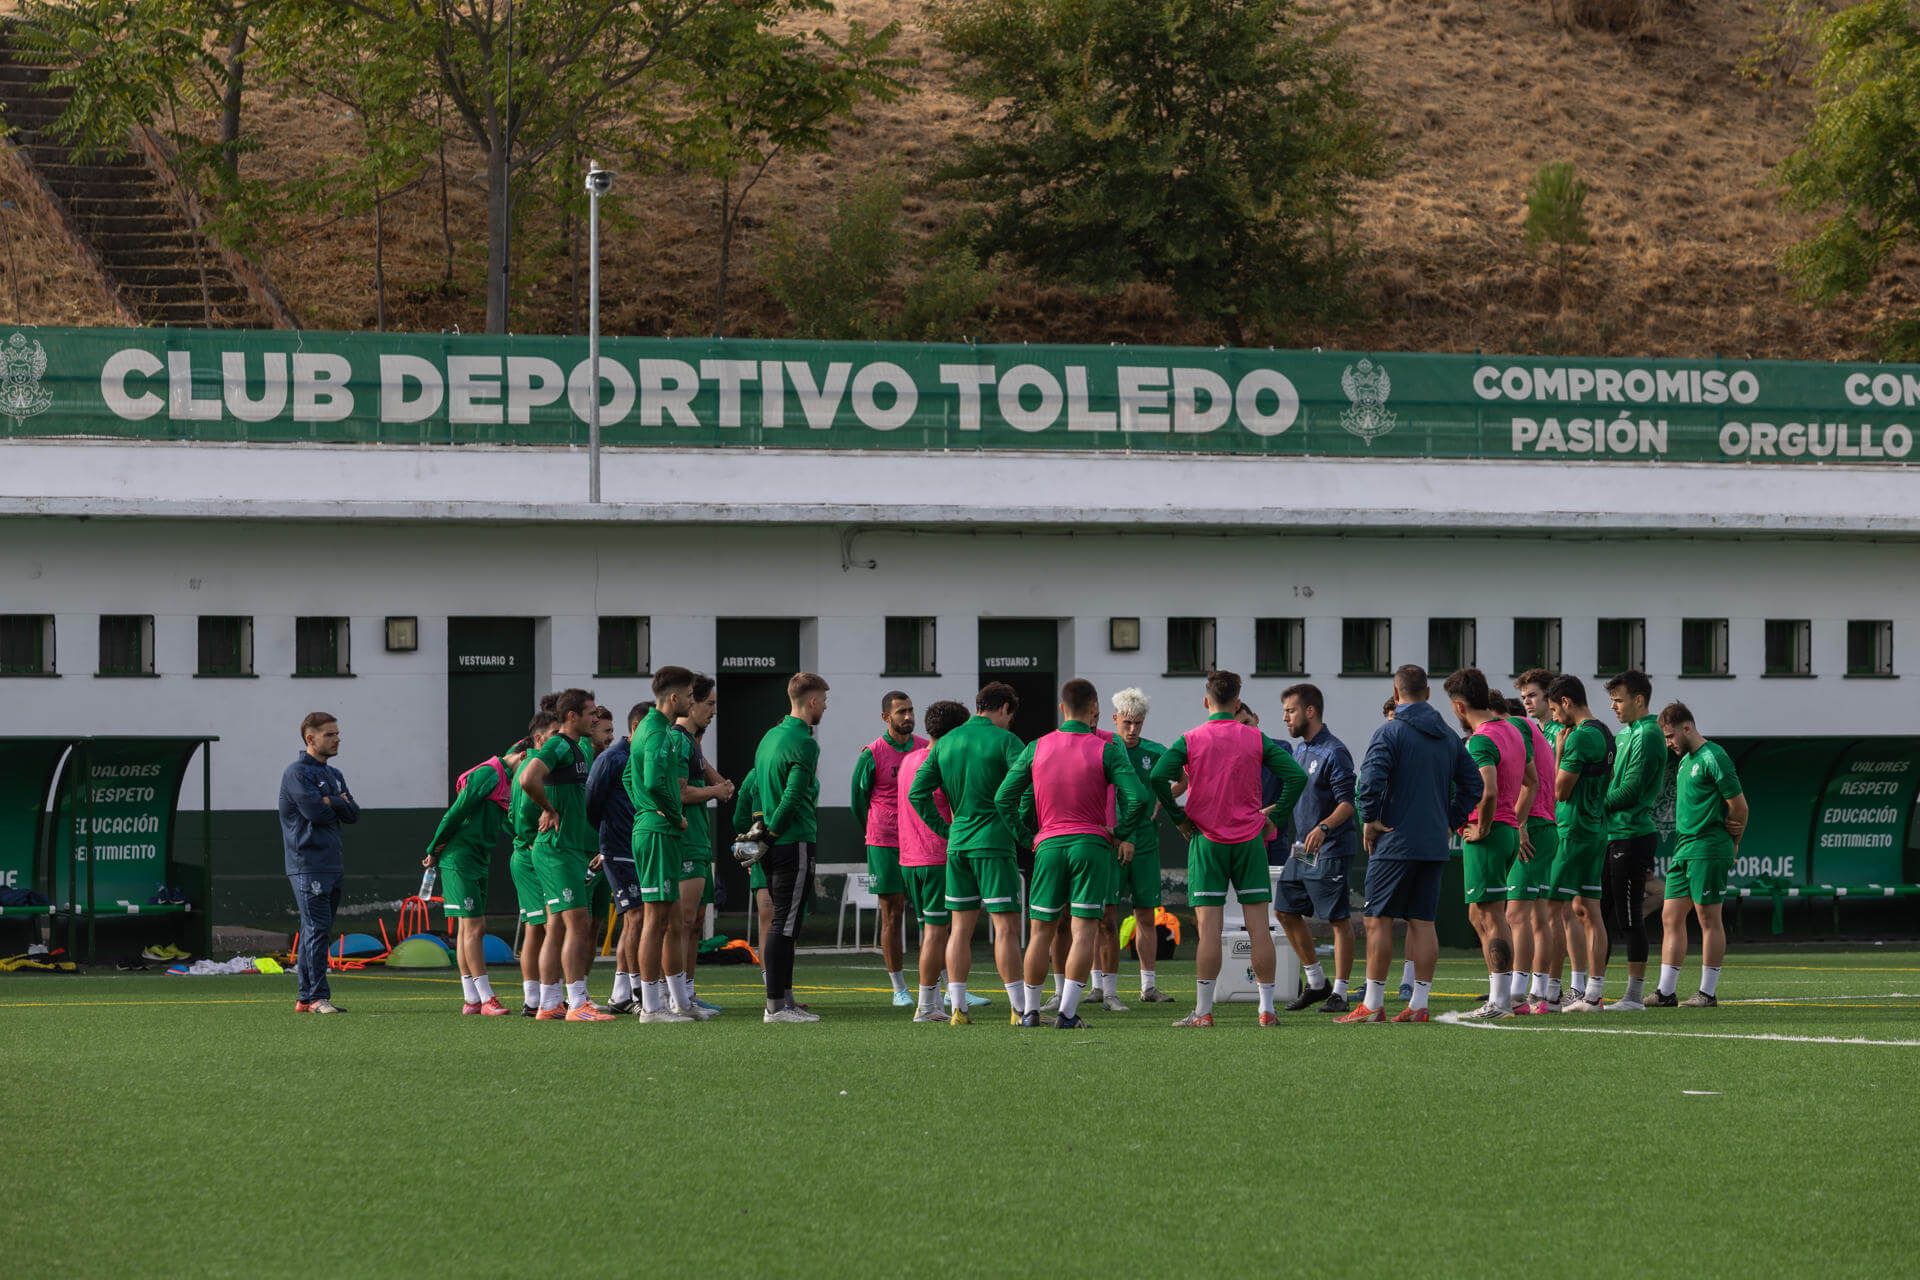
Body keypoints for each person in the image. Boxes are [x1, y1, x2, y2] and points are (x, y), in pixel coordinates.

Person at [1149, 670, 1306, 1028]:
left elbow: (1158, 776)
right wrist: (1275, 816)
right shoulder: (1254, 738)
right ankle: (1267, 1009)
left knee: (1210, 930)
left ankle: (1203, 1013)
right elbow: (1297, 776)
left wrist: (1178, 817)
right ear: (1237, 703)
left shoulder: (1191, 738)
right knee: (1259, 928)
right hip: (1249, 841)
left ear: (1207, 701)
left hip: (1207, 841)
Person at [997, 679, 1151, 1029]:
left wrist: (1026, 836)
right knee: (1084, 932)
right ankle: (1067, 1014)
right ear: (1095, 709)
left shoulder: (1037, 746)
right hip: (1091, 846)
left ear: (1061, 707)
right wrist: (1119, 831)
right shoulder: (1106, 749)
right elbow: (1139, 798)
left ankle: (1030, 1012)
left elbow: (1003, 797)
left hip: (1049, 845)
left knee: (1041, 932)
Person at [1339, 665, 1482, 1024]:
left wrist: (1369, 818)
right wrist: (1450, 818)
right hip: (1433, 841)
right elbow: (1473, 786)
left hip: (1394, 840)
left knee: (1378, 920)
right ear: (1429, 693)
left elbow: (1370, 780)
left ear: (1395, 691)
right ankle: (1419, 1003)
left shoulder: (1390, 732)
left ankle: (1372, 1003)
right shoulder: (1449, 737)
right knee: (1423, 922)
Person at [908, 682, 1027, 1026]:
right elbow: (1026, 788)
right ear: (1004, 708)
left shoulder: (946, 742)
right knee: (1005, 927)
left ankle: (958, 1008)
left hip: (958, 844)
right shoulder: (1006, 741)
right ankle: (1019, 1009)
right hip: (993, 843)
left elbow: (918, 792)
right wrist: (1022, 830)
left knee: (958, 929)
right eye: (1010, 715)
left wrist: (947, 829)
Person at [737, 671, 829, 1024]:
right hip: (792, 840)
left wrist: (760, 831)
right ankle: (776, 1006)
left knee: (781, 923)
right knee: (784, 925)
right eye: (824, 701)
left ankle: (784, 999)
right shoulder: (805, 742)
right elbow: (793, 794)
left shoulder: (769, 737)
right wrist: (773, 831)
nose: (825, 708)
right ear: (812, 702)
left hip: (773, 842)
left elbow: (752, 787)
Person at [1445, 669, 1535, 1021]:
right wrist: (1517, 820)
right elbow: (1532, 781)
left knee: (1491, 915)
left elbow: (1489, 790)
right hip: (1507, 830)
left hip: (1490, 833)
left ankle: (1499, 1001)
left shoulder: (1480, 740)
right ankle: (1502, 996)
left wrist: (1483, 827)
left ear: (1458, 706)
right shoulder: (1513, 730)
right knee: (1478, 914)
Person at [522, 688, 614, 1022]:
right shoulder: (559, 744)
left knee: (559, 925)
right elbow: (528, 779)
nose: (596, 717)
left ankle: (548, 1004)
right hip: (558, 851)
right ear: (572, 717)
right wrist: (548, 807)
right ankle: (578, 1004)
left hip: (571, 849)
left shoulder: (578, 748)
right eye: (591, 713)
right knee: (577, 924)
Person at [1654, 703, 1747, 1008]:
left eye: (1670, 736)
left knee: (1708, 918)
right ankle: (1665, 992)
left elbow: (1739, 807)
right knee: (1670, 916)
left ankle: (1707, 993)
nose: (1669, 743)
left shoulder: (1714, 756)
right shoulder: (1685, 762)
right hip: (1683, 848)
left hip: (1708, 847)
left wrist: (1733, 843)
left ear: (1687, 728)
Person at [424, 741, 525, 1016]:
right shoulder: (490, 773)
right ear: (524, 755)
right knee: (474, 927)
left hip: (479, 859)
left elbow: (507, 822)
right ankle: (487, 997)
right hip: (460, 859)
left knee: (467, 929)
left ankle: (471, 1000)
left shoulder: (505, 782)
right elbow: (456, 811)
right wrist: (433, 848)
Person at [1276, 682, 1357, 1013]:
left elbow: (1347, 804)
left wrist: (1324, 827)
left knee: (1337, 920)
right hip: (1302, 849)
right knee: (1284, 910)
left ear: (1310, 712)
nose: (1285, 718)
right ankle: (1316, 982)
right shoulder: (1299, 750)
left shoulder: (1334, 752)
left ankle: (1341, 992)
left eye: (1290, 711)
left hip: (1330, 847)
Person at [628, 667, 700, 1023]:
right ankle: (651, 1008)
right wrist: (671, 814)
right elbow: (654, 783)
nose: (692, 701)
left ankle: (680, 1002)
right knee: (655, 920)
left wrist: (647, 807)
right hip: (657, 831)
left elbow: (631, 777)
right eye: (689, 695)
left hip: (659, 829)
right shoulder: (654, 733)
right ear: (674, 698)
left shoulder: (655, 731)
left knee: (673, 921)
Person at [279, 711, 359, 1014]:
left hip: (331, 863)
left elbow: (353, 814)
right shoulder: (297, 773)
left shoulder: (334, 774)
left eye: (337, 733)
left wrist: (333, 801)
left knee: (315, 928)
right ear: (310, 739)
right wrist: (335, 802)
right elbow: (316, 813)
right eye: (329, 734)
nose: (337, 739)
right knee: (317, 928)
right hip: (307, 862)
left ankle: (304, 997)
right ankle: (317, 997)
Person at [851, 691, 927, 1007]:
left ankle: (947, 986)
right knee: (892, 913)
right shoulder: (872, 754)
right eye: (901, 712)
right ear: (886, 717)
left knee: (935, 915)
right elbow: (859, 802)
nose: (908, 716)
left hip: (921, 841)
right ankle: (899, 989)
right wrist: (878, 827)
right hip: (885, 842)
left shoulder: (926, 748)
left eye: (910, 710)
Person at [1519, 666, 1589, 1001]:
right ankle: (1553, 986)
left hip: (1564, 827)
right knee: (1549, 910)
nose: (1528, 702)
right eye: (1523, 697)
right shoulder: (1536, 733)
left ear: (1551, 698)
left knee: (1563, 909)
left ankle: (1568, 986)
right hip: (1550, 825)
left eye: (1532, 695)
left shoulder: (1567, 732)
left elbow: (1561, 785)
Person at [1546, 675, 1614, 1013]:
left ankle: (1550, 994)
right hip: (1597, 829)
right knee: (1589, 910)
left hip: (1572, 831)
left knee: (1551, 908)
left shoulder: (1579, 738)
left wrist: (1558, 751)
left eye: (1555, 709)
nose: (1555, 716)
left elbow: (1560, 790)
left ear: (1567, 702)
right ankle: (1593, 994)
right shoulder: (1605, 733)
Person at [898, 700, 968, 1022]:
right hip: (935, 857)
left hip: (909, 858)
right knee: (936, 933)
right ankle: (926, 1004)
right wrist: (949, 832)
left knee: (930, 930)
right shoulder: (946, 761)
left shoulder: (910, 759)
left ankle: (934, 1001)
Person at [1108, 687, 1178, 1004]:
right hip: (1112, 842)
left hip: (1146, 843)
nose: (1133, 730)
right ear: (1115, 719)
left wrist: (1162, 802)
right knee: (1104, 917)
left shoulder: (1156, 751)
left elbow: (1183, 779)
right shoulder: (1105, 749)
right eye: (1127, 723)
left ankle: (1148, 986)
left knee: (1146, 916)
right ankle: (1101, 987)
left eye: (1138, 723)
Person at [1601, 670, 1663, 1011]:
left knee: (1629, 917)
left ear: (1639, 700)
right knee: (1596, 913)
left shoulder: (1649, 734)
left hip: (1634, 834)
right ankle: (1589, 990)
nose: (1613, 706)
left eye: (1619, 700)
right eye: (1611, 700)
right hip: (1613, 834)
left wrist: (1590, 805)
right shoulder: (1625, 736)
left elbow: (1629, 791)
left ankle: (1634, 996)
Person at [672, 674, 733, 1017]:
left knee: (695, 923)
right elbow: (680, 792)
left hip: (698, 841)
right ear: (690, 703)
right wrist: (715, 791)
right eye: (709, 704)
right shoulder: (677, 741)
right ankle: (673, 995)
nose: (713, 711)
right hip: (683, 842)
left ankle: (689, 993)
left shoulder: (691, 743)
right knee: (681, 922)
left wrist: (719, 783)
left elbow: (707, 773)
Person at [1500, 693, 1560, 1015]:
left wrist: (1519, 824)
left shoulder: (1516, 726)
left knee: (1516, 915)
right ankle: (1542, 994)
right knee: (1538, 917)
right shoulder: (1535, 732)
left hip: (1532, 826)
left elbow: (1529, 782)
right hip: (1545, 825)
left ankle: (1519, 995)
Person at [586, 703, 647, 1013]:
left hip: (637, 847)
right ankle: (638, 995)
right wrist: (606, 843)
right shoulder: (612, 759)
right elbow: (591, 802)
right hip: (618, 849)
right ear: (636, 727)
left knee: (635, 919)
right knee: (636, 917)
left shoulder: (640, 756)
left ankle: (621, 994)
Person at [508, 710, 556, 1014]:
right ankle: (537, 998)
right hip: (529, 855)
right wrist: (548, 812)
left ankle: (536, 998)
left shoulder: (530, 766)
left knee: (537, 928)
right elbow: (524, 817)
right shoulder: (532, 770)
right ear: (539, 739)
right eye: (553, 735)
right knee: (544, 927)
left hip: (526, 853)